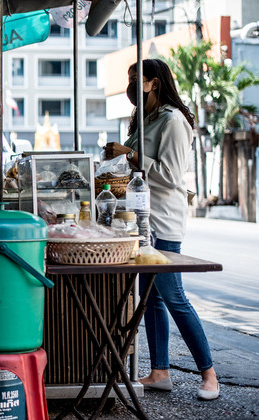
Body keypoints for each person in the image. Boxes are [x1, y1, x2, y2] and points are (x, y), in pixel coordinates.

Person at [104, 59, 219, 400]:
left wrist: (132, 155)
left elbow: (171, 174)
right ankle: (159, 371)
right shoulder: (144, 120)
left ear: (154, 83)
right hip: (140, 220)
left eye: (135, 79)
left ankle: (209, 374)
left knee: (174, 297)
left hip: (163, 221)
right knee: (151, 299)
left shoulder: (173, 120)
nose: (131, 84)